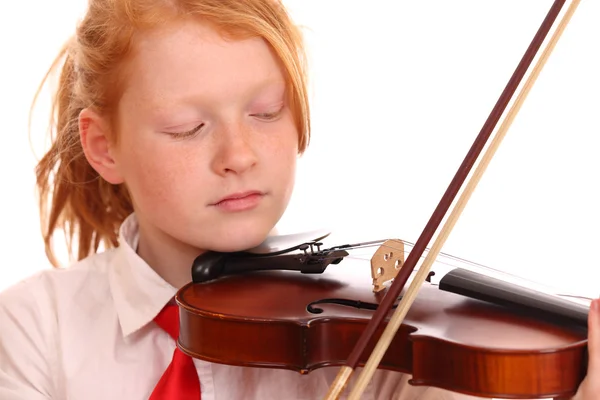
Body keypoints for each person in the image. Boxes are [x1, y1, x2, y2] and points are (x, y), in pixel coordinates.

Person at [0, 0, 598, 399]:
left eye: (266, 112)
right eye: (187, 127)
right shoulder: (36, 328)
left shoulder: (374, 345)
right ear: (104, 147)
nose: (239, 153)